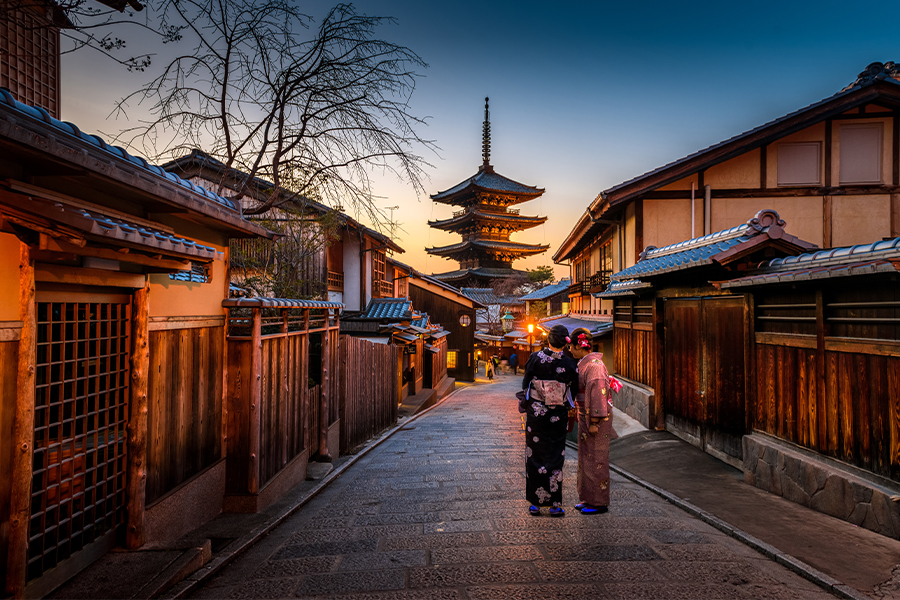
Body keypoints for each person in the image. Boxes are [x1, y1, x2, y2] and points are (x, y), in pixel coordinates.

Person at [521, 324, 578, 517]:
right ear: (565, 342)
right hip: (557, 415)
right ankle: (555, 504)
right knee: (555, 456)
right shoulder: (570, 364)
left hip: (536, 415)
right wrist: (562, 401)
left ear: (548, 339)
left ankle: (535, 504)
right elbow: (573, 390)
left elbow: (526, 383)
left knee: (534, 454)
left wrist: (532, 400)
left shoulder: (535, 358)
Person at [568, 327, 613, 514]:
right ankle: (587, 498)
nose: (569, 350)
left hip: (596, 419)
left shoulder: (594, 366)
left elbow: (598, 395)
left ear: (580, 345)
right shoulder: (586, 364)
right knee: (586, 457)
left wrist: (594, 421)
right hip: (586, 416)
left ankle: (599, 502)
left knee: (597, 459)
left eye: (571, 346)